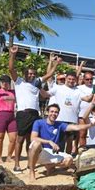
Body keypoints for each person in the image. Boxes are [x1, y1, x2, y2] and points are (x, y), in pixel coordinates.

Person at [8, 45, 59, 173]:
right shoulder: (19, 82)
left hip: (35, 115)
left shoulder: (37, 82)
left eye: (33, 74)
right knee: (19, 139)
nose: (32, 75)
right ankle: (17, 164)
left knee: (32, 141)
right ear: (25, 74)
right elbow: (11, 68)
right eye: (29, 73)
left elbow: (50, 74)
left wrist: (55, 63)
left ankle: (31, 164)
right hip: (23, 114)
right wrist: (13, 54)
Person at [28, 104, 95, 180]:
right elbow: (33, 138)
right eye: (52, 111)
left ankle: (49, 166)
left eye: (56, 112)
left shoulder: (59, 124)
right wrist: (49, 142)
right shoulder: (38, 122)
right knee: (36, 144)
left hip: (51, 153)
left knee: (69, 160)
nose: (54, 114)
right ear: (47, 112)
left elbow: (76, 127)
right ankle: (32, 172)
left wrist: (90, 125)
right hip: (39, 152)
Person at [45, 71, 87, 154]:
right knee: (59, 141)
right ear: (66, 78)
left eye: (73, 79)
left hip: (72, 121)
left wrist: (94, 93)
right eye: (69, 79)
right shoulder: (58, 88)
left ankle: (67, 158)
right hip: (60, 120)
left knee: (69, 142)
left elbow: (87, 98)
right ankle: (58, 158)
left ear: (75, 80)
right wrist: (38, 88)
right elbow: (46, 94)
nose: (71, 81)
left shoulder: (78, 90)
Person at [0, 75, 17, 163]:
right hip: (0, 115)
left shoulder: (13, 92)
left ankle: (9, 156)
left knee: (13, 139)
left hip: (11, 116)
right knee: (0, 138)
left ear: (9, 83)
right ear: (0, 83)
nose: (4, 83)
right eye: (2, 81)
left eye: (6, 81)